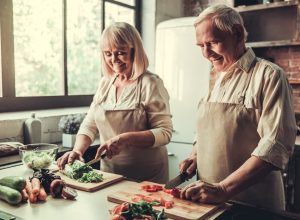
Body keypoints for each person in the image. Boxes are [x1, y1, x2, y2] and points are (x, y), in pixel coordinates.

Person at [179, 4, 297, 210]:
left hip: (254, 205)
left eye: (213, 43)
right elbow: (211, 130)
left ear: (237, 34)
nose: (206, 53)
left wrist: (223, 189)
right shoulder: (216, 77)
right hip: (210, 204)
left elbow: (275, 146)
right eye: (200, 46)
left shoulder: (269, 75)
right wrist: (197, 153)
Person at [57, 22, 172, 184]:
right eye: (108, 53)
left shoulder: (151, 83)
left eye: (120, 53)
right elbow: (89, 125)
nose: (114, 59)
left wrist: (124, 139)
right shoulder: (105, 83)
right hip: (109, 174)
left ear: (135, 51)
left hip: (148, 177)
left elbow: (164, 133)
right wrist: (77, 150)